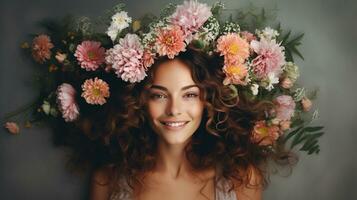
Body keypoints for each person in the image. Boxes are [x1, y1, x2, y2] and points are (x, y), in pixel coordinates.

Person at [89, 48, 268, 200]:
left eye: (189, 95)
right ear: (139, 102)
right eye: (159, 95)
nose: (174, 110)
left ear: (208, 101)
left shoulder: (241, 180)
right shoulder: (107, 180)